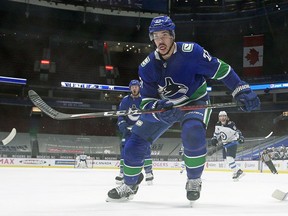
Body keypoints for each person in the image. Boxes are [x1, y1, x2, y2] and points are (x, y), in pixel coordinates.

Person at [106, 15, 260, 202]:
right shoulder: (147, 67)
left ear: (172, 35)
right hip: (167, 107)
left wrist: (240, 89)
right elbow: (146, 101)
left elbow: (223, 70)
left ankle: (194, 180)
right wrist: (158, 106)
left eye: (164, 35)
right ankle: (130, 183)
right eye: (155, 36)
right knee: (133, 143)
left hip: (195, 101)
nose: (160, 40)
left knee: (193, 132)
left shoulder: (192, 52)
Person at [115, 79, 154, 185]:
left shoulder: (144, 99)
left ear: (139, 87)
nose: (134, 88)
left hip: (141, 130)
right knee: (125, 151)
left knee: (145, 150)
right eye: (132, 86)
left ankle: (149, 173)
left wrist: (143, 125)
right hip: (128, 130)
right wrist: (122, 123)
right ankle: (122, 172)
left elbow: (148, 114)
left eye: (136, 86)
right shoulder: (125, 100)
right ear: (130, 88)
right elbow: (120, 114)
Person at [210, 111, 245, 181]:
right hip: (225, 144)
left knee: (229, 158)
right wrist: (214, 138)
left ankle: (238, 171)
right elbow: (216, 134)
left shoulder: (231, 124)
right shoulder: (217, 125)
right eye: (220, 116)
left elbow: (237, 131)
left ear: (226, 117)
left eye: (224, 116)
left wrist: (240, 137)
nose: (222, 117)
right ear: (219, 118)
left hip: (232, 142)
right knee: (226, 160)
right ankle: (236, 172)